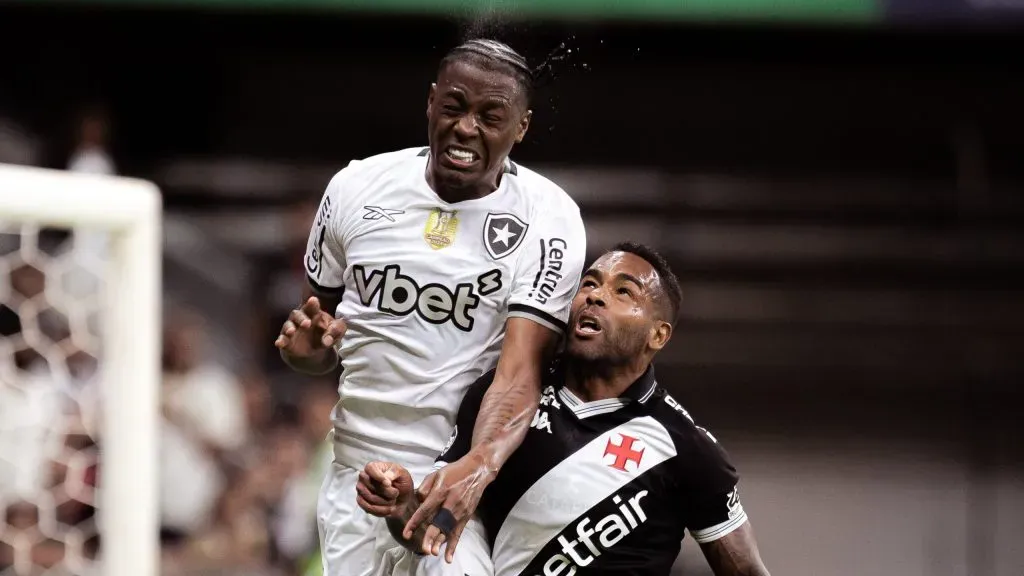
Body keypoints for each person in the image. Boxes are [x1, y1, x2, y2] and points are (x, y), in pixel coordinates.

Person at [274, 38, 587, 576]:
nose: (467, 128)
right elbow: (319, 334)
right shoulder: (354, 187)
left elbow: (519, 373)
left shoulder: (549, 216)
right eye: (454, 107)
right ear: (430, 102)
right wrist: (305, 357)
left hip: (456, 475)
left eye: (492, 116)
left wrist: (478, 467)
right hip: (355, 473)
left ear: (522, 127)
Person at [357, 242, 772, 576]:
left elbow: (745, 569)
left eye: (623, 291)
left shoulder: (683, 444)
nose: (595, 296)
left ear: (658, 335)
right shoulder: (506, 399)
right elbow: (435, 532)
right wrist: (404, 506)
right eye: (590, 284)